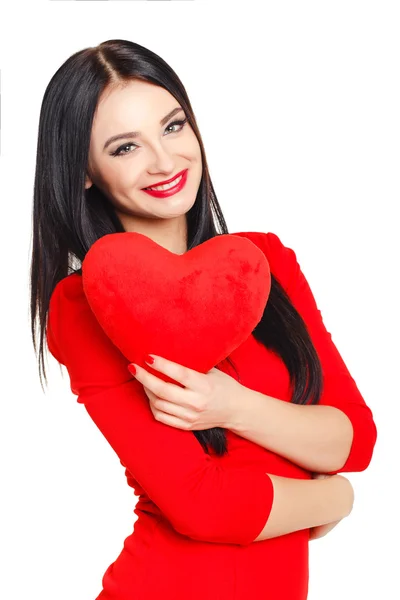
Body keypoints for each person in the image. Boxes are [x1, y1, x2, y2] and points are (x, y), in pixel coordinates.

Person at [30, 39, 378, 599]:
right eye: (125, 147)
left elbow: (354, 439)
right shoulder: (83, 306)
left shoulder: (265, 262)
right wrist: (337, 498)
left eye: (172, 127)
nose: (165, 162)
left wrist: (229, 407)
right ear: (84, 171)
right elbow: (203, 507)